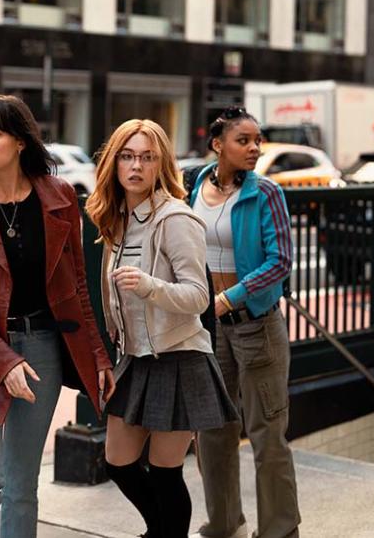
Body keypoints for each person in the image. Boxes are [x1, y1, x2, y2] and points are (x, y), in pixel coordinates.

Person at [0, 94, 115, 538]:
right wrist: (3, 361)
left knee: (20, 484)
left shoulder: (57, 196)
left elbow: (77, 286)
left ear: (20, 140)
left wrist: (98, 356)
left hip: (42, 351)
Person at [86, 119, 238, 538]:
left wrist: (149, 286)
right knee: (118, 461)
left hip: (180, 357)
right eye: (127, 156)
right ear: (114, 162)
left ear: (162, 165)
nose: (136, 166)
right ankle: (162, 532)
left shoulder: (176, 219)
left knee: (167, 471)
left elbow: (197, 297)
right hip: (136, 358)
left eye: (147, 157)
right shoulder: (116, 220)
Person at [189, 106, 299, 538]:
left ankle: (279, 530)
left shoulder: (266, 192)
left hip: (256, 325)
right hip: (210, 327)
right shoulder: (197, 183)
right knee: (213, 431)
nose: (254, 148)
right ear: (218, 145)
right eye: (244, 140)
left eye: (258, 140)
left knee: (267, 434)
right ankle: (223, 522)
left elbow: (280, 262)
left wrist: (227, 298)